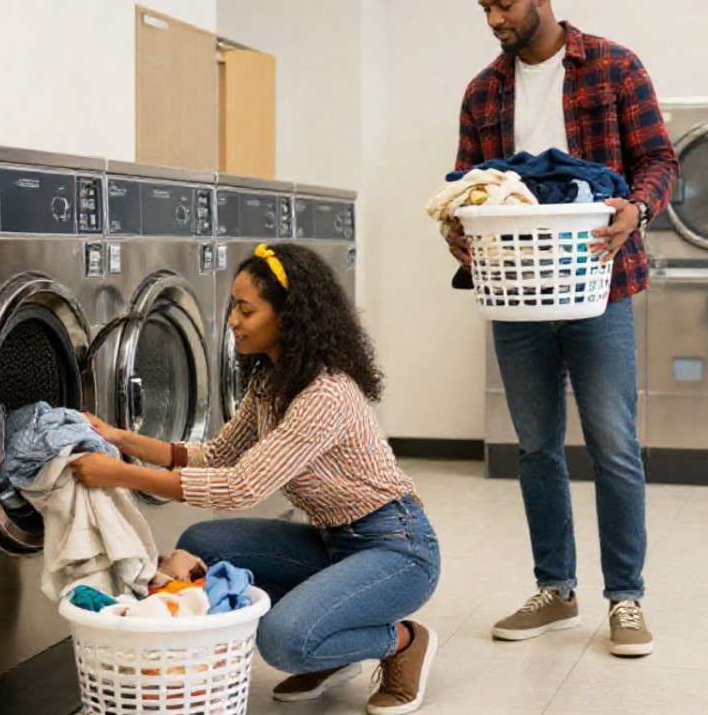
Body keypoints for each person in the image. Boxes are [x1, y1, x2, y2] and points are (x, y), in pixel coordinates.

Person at [72, 243, 440, 715]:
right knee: (204, 541)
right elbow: (218, 454)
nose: (233, 321)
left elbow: (241, 486)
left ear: (290, 316)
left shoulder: (324, 394)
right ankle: (330, 638)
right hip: (333, 544)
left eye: (246, 310)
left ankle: (404, 641)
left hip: (397, 549)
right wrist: (120, 437)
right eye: (233, 308)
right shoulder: (270, 381)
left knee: (282, 641)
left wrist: (118, 475)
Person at [447, 0, 677, 658]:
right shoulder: (485, 90)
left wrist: (635, 208)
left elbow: (660, 159)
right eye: (485, 6)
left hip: (599, 285)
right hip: (518, 291)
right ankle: (555, 589)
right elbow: (464, 182)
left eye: (504, 3)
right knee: (537, 446)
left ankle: (626, 599)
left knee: (612, 444)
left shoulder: (612, 66)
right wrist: (459, 228)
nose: (494, 19)